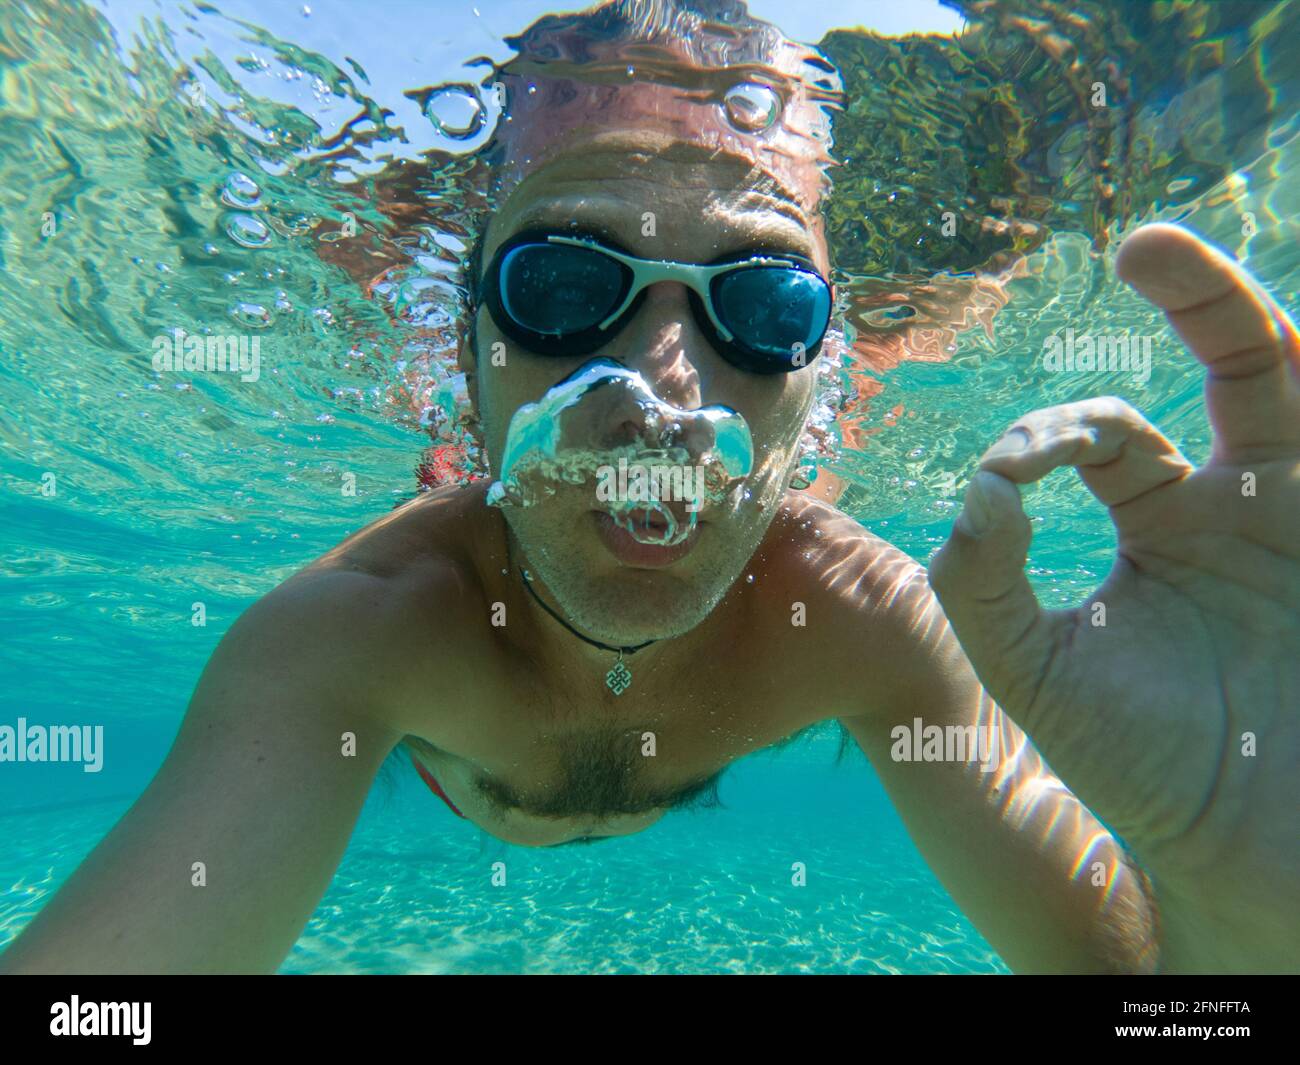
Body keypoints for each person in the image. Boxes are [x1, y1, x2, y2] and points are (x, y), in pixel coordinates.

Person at [2, 1, 1295, 975]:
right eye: (563, 286)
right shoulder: (361, 631)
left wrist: (1238, 903)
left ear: (823, 371)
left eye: (763, 304)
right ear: (464, 352)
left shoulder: (859, 613)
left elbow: (1148, 991)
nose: (664, 392)